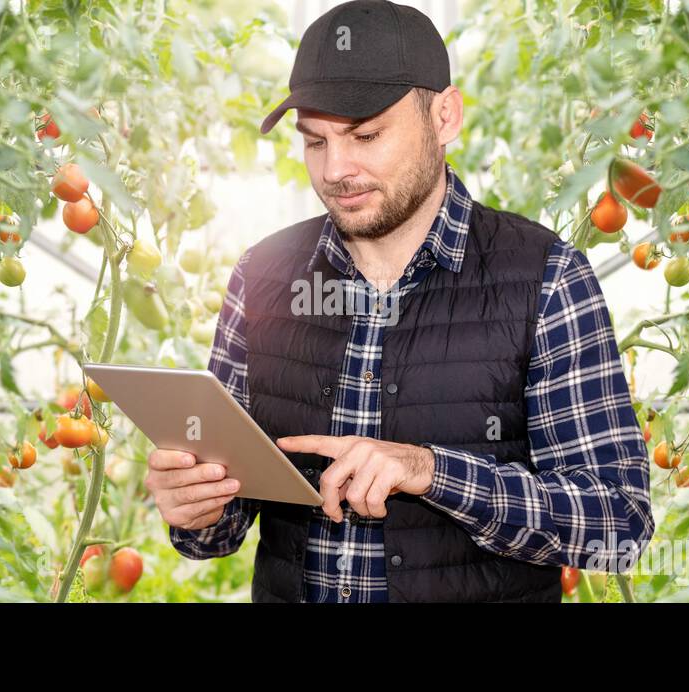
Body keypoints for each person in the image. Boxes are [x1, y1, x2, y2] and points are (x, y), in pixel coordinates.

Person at [146, 0, 653, 603]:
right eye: (315, 142)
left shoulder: (546, 278)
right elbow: (219, 531)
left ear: (444, 116)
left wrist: (430, 472)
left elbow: (617, 524)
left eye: (366, 135)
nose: (337, 169)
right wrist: (194, 509)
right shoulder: (263, 275)